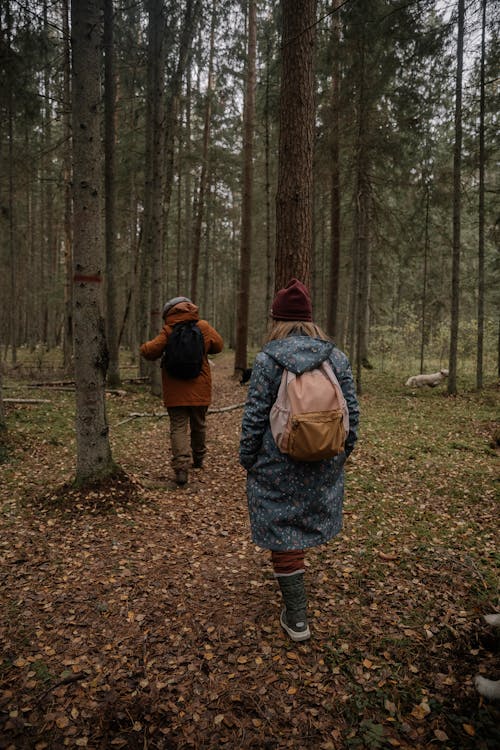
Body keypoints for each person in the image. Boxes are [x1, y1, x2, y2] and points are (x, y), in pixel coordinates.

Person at [239, 278, 359, 641]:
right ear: (309, 318)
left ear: (277, 319)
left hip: (276, 461)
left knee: (283, 533)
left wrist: (248, 458)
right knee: (300, 524)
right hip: (323, 458)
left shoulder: (267, 359)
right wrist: (343, 451)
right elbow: (351, 410)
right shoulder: (335, 356)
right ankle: (295, 599)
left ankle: (297, 618)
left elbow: (255, 415)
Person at [140, 296, 223, 486]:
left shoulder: (168, 330)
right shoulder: (203, 326)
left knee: (178, 427)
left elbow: (150, 351)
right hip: (200, 386)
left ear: (168, 312)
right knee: (199, 424)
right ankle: (199, 458)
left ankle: (181, 469)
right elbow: (218, 345)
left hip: (175, 389)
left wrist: (142, 348)